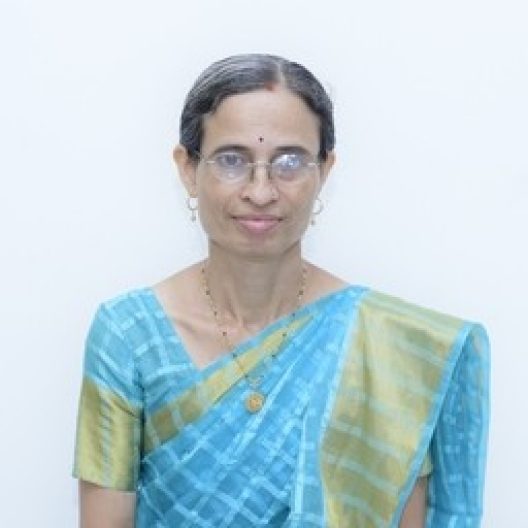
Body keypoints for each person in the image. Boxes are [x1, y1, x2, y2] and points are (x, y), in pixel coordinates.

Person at [72, 54, 490, 527]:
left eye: (289, 161)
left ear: (324, 170)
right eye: (232, 160)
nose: (261, 191)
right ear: (188, 168)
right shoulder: (130, 335)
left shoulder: (389, 349)